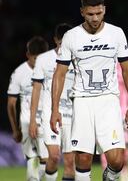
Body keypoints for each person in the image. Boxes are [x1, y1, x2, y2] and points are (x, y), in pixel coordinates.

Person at [50, 0, 128, 181]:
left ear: (104, 10)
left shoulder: (116, 33)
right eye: (90, 14)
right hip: (82, 101)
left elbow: (127, 69)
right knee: (83, 158)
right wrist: (54, 109)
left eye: (99, 13)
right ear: (82, 12)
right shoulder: (71, 37)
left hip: (109, 101)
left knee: (117, 160)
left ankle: (109, 177)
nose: (95, 18)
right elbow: (60, 73)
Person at [29, 23, 75, 181]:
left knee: (70, 162)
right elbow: (36, 90)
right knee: (54, 157)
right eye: (62, 42)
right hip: (51, 114)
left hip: (73, 115)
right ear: (56, 40)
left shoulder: (79, 59)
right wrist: (32, 120)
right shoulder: (44, 59)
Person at [7, 36, 49, 180]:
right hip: (26, 122)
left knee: (46, 160)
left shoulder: (52, 70)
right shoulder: (19, 73)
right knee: (31, 159)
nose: (38, 63)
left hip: (46, 122)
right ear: (28, 55)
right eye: (35, 59)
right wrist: (15, 129)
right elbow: (11, 103)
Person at [100, 63, 128, 181]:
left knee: (124, 146)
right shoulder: (103, 62)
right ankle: (107, 173)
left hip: (123, 111)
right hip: (106, 111)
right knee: (107, 145)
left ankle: (124, 172)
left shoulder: (123, 64)